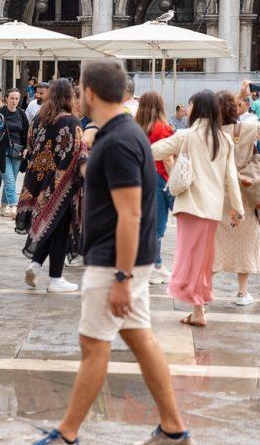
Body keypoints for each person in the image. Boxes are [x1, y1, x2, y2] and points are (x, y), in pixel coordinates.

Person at [34, 60, 192, 445]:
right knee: (140, 338)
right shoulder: (121, 133)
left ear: (87, 93)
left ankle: (67, 433)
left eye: (78, 91)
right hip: (126, 258)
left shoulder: (120, 140)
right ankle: (173, 428)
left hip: (114, 261)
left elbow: (131, 212)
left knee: (93, 345)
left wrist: (121, 276)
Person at [152, 90, 243, 328]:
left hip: (190, 206)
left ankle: (199, 309)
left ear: (198, 108)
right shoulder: (224, 139)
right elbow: (231, 177)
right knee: (202, 260)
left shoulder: (187, 135)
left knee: (190, 259)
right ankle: (198, 308)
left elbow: (155, 150)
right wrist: (238, 209)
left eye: (190, 105)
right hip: (212, 210)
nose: (188, 109)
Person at [213, 83, 260, 306]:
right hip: (246, 192)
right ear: (237, 110)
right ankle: (242, 293)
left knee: (217, 242)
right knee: (246, 240)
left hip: (219, 194)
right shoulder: (247, 130)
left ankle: (205, 290)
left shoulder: (212, 131)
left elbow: (212, 111)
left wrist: (236, 95)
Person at [17, 78, 85, 293]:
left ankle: (35, 265)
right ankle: (55, 279)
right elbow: (78, 154)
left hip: (36, 180)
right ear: (68, 97)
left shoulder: (38, 119)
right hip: (61, 184)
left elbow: (30, 146)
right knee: (60, 230)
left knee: (48, 223)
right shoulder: (72, 122)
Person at [135, 91, 175, 284]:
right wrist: (175, 177)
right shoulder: (163, 127)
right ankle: (154, 266)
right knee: (158, 225)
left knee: (146, 223)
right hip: (160, 178)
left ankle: (153, 264)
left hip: (141, 178)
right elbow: (167, 158)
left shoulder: (136, 127)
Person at [0, 88, 29, 218]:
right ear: (6, 98)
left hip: (18, 150)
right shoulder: (0, 113)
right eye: (12, 98)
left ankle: (3, 206)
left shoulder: (21, 114)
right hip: (3, 150)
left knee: (12, 179)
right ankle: (14, 206)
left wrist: (27, 147)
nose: (14, 101)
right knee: (9, 179)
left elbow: (26, 132)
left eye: (17, 98)